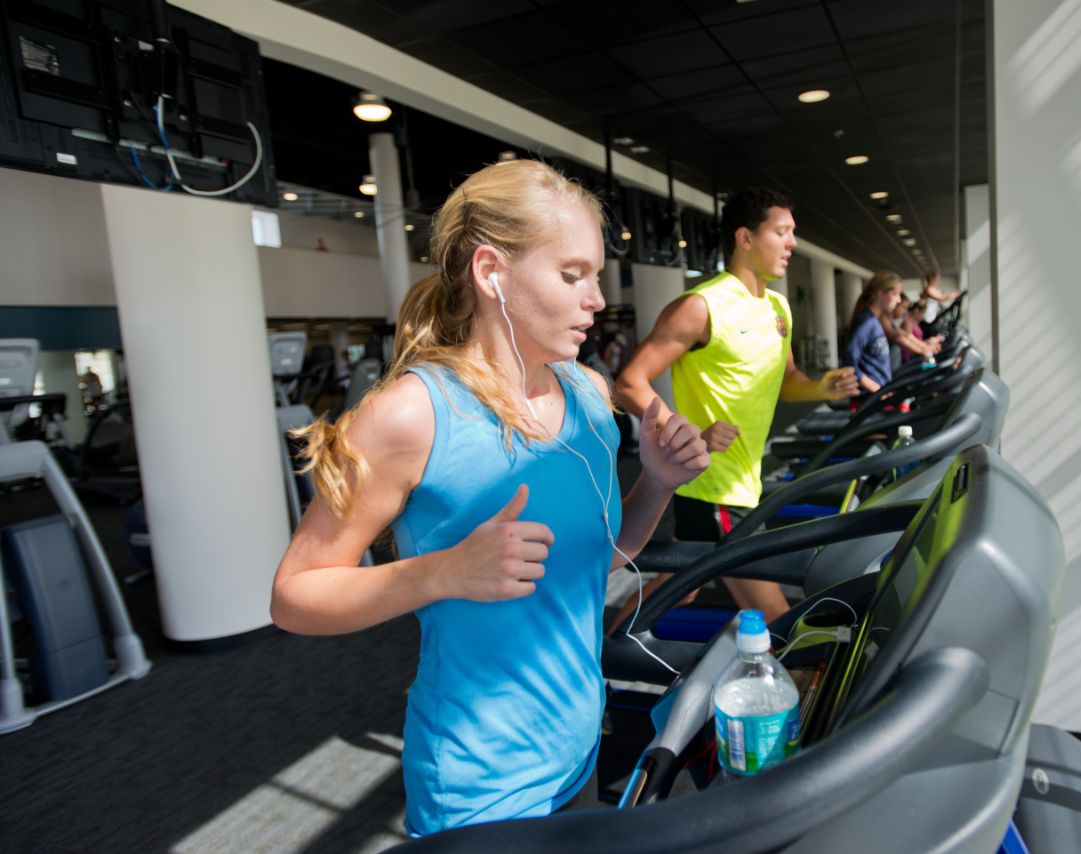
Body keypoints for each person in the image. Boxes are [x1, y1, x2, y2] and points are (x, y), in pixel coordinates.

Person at [270, 160, 709, 836]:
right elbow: (294, 597)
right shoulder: (410, 414)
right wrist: (442, 572)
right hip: (480, 781)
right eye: (572, 275)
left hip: (578, 746)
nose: (596, 299)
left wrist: (653, 483)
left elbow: (598, 562)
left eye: (596, 275)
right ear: (491, 271)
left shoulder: (588, 397)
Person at [614, 187, 858, 623]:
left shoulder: (779, 308)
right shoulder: (701, 306)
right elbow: (630, 383)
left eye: (793, 233)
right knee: (772, 613)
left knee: (681, 585)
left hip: (745, 480)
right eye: (782, 232)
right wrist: (682, 432)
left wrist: (823, 388)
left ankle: (602, 648)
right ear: (745, 239)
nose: (792, 243)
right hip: (715, 488)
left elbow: (788, 383)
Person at [845, 271, 903, 394]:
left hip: (879, 396)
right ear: (880, 293)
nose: (899, 300)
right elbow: (849, 363)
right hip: (869, 400)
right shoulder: (866, 322)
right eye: (895, 294)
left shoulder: (875, 320)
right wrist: (878, 391)